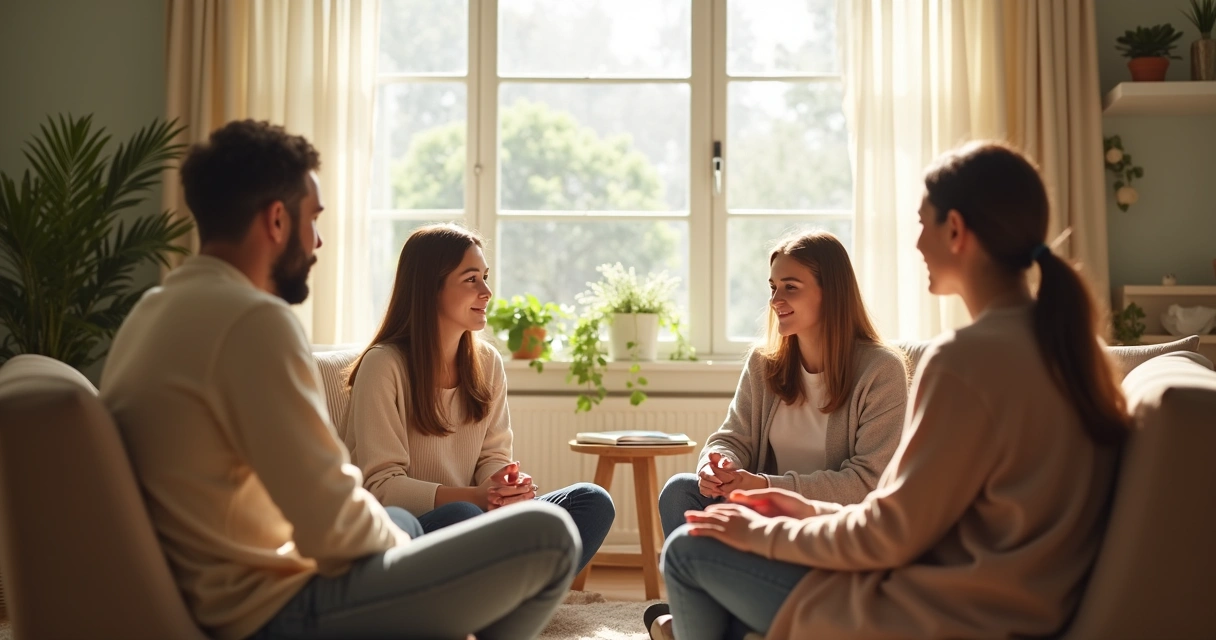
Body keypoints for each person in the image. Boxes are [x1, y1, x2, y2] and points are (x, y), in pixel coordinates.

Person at [102, 120, 579, 640]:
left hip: (221, 592)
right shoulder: (253, 321)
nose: (318, 240)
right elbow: (330, 523)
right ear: (277, 220)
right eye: (313, 219)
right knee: (548, 534)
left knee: (411, 522)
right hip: (273, 608)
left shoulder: (151, 313)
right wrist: (413, 559)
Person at [651, 141, 1131, 640]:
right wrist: (802, 508)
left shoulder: (964, 361)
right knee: (698, 531)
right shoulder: (1071, 350)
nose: (918, 244)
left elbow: (888, 532)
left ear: (955, 229)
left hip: (938, 610)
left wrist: (768, 530)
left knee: (687, 552)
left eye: (923, 224)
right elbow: (914, 519)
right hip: (1001, 601)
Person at [342, 222, 614, 573]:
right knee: (461, 515)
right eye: (471, 279)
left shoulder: (487, 362)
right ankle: (519, 585)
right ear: (429, 288)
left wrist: (505, 487)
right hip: (415, 530)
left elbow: (493, 456)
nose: (486, 291)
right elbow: (381, 487)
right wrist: (474, 497)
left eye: (485, 277)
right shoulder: (384, 365)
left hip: (478, 519)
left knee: (592, 501)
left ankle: (504, 587)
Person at [657, 231, 908, 539]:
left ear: (832, 292)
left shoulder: (881, 370)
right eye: (773, 287)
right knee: (680, 491)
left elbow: (868, 482)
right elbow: (733, 438)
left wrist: (765, 485)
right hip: (761, 517)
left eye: (791, 287)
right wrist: (718, 466)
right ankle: (707, 567)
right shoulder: (763, 363)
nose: (775, 301)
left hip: (831, 528)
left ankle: (711, 567)